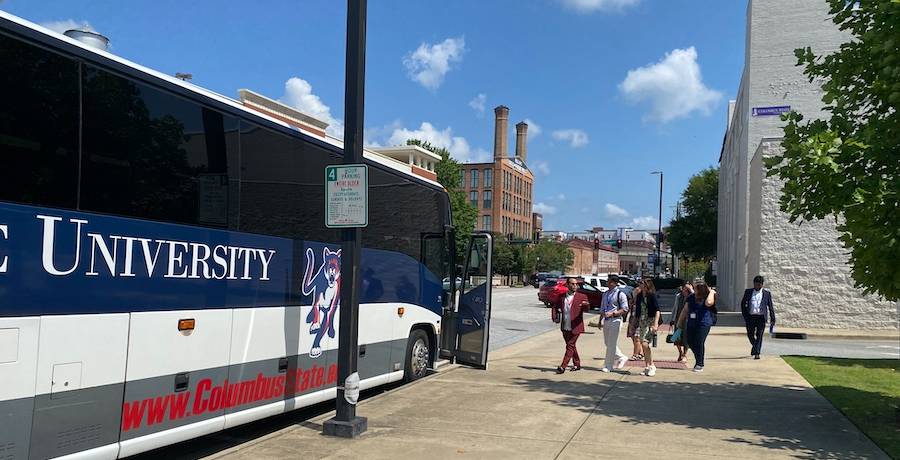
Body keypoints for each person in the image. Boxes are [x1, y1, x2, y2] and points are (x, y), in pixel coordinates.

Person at [552, 277, 592, 374]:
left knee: (570, 345)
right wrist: (555, 317)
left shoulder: (582, 296)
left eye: (576, 284)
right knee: (571, 346)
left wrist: (586, 305)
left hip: (576, 326)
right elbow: (555, 307)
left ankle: (563, 366)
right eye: (573, 284)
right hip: (565, 325)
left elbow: (587, 309)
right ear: (567, 285)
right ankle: (577, 364)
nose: (575, 286)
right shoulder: (562, 296)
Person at [678, 281, 716, 372]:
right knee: (690, 341)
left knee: (699, 342)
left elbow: (708, 303)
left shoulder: (707, 297)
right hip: (691, 323)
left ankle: (699, 363)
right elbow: (685, 309)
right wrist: (680, 321)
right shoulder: (691, 297)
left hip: (703, 323)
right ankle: (699, 358)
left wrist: (711, 292)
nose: (693, 289)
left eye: (695, 288)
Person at [741, 275, 776, 360]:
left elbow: (770, 306)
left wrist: (772, 318)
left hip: (761, 318)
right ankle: (755, 346)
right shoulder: (748, 292)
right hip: (750, 317)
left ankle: (757, 353)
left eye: (759, 284)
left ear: (762, 284)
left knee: (759, 335)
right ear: (754, 284)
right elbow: (742, 304)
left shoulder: (766, 294)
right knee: (750, 335)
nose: (757, 286)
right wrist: (745, 316)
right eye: (756, 284)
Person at [600, 275, 630, 373]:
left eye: (609, 281)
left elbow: (625, 308)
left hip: (616, 320)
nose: (607, 283)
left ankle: (608, 365)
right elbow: (602, 308)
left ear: (614, 283)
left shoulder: (620, 294)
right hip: (606, 320)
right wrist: (600, 320)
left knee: (611, 343)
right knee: (607, 342)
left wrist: (614, 313)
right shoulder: (605, 294)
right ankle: (621, 357)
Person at [633, 279, 661, 376]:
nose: (639, 285)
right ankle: (647, 366)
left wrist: (656, 324)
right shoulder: (640, 296)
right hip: (642, 322)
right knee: (642, 344)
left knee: (645, 344)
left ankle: (652, 365)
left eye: (642, 284)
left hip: (651, 321)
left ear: (646, 286)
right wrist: (634, 323)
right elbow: (637, 311)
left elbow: (657, 310)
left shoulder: (652, 295)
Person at [670, 283, 691, 362]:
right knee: (676, 338)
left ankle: (685, 354)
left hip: (688, 321)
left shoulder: (691, 296)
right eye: (684, 288)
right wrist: (672, 319)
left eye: (686, 288)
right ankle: (680, 352)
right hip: (678, 319)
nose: (684, 290)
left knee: (686, 338)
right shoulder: (678, 296)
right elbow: (675, 308)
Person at [627, 282, 643, 361]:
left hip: (639, 320)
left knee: (637, 337)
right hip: (632, 319)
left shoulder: (641, 303)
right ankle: (639, 353)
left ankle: (635, 354)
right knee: (633, 337)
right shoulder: (633, 303)